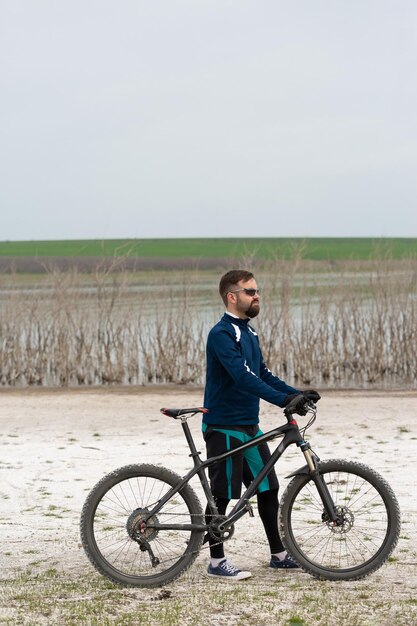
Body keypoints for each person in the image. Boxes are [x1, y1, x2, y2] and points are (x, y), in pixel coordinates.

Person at [202, 269, 320, 580]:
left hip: (248, 426)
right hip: (224, 425)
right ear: (232, 296)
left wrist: (295, 394)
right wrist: (282, 402)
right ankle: (216, 563)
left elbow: (262, 374)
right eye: (250, 291)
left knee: (268, 486)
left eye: (257, 291)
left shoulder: (250, 333)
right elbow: (242, 377)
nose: (257, 296)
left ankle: (279, 554)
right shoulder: (222, 334)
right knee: (222, 493)